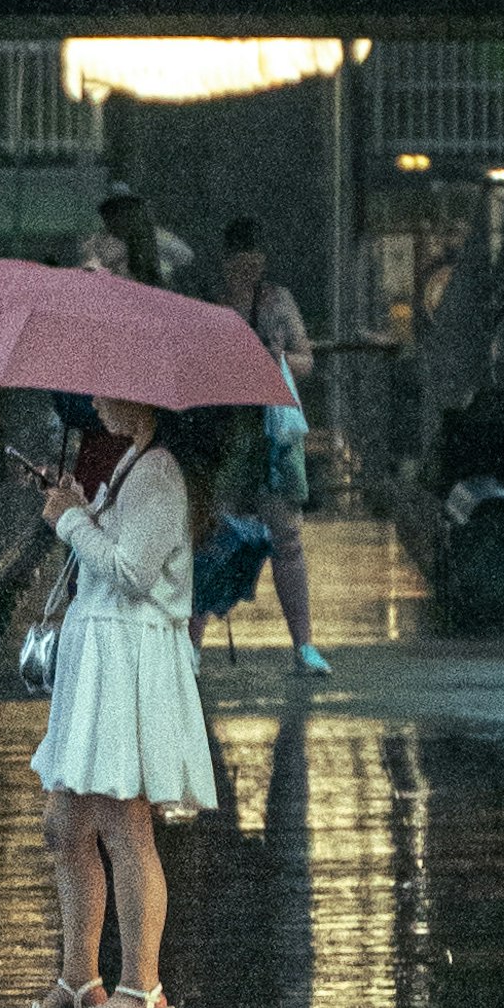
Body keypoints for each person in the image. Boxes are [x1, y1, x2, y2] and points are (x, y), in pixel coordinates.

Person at [11, 393, 218, 1008]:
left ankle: (142, 988)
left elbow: (132, 570)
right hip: (100, 664)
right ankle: (80, 976)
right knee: (65, 822)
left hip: (128, 666)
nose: (96, 398)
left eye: (109, 388)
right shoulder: (134, 462)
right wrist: (77, 501)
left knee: (126, 827)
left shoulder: (158, 470)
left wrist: (72, 522)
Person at [211, 214, 328, 670]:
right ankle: (192, 646)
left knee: (287, 537)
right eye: (238, 259)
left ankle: (303, 644)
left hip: (273, 433)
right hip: (229, 434)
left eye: (252, 258)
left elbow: (306, 361)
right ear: (226, 263)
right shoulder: (216, 308)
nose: (246, 267)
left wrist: (278, 357)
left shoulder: (278, 303)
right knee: (213, 537)